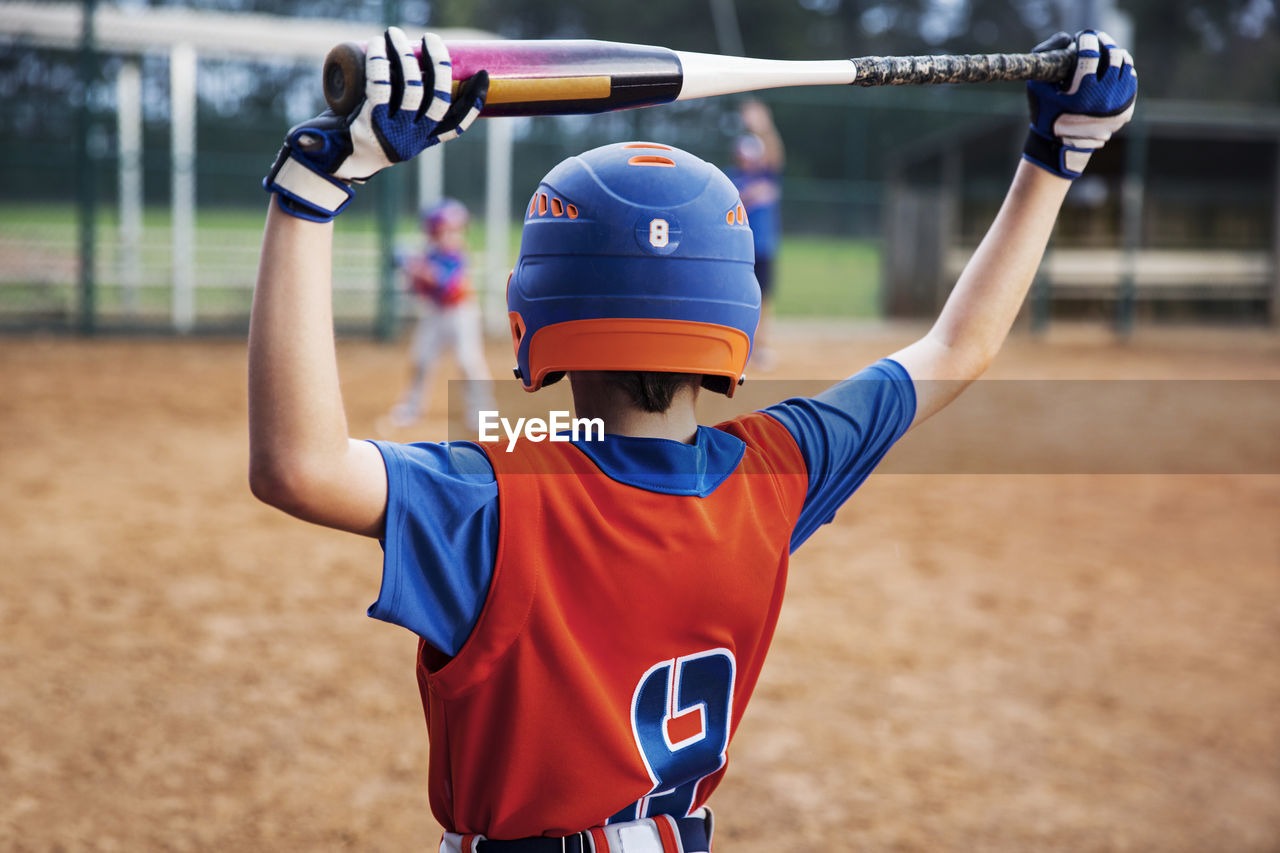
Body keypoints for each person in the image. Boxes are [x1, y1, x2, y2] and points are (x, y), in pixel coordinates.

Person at [250, 27, 1135, 852]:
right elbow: (955, 347)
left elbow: (299, 465)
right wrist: (1059, 158)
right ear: (732, 323)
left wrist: (314, 190)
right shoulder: (779, 469)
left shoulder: (496, 495)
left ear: (534, 320)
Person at [385, 198, 494, 429]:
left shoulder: (458, 255)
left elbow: (448, 285)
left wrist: (417, 268)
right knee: (421, 359)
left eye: (453, 231)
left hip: (461, 314)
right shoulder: (427, 255)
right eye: (443, 231)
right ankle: (411, 409)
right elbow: (417, 291)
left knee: (468, 361)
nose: (450, 236)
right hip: (435, 314)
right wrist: (412, 272)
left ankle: (482, 412)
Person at [727, 99, 784, 370]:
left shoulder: (768, 176)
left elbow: (775, 155)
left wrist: (764, 126)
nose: (748, 159)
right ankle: (741, 345)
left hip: (764, 245)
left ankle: (760, 346)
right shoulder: (732, 179)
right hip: (741, 246)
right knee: (740, 296)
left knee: (765, 297)